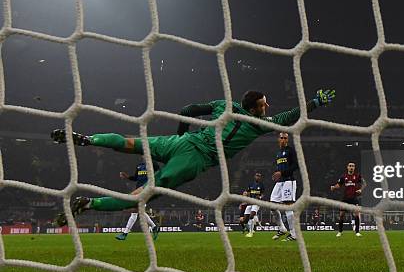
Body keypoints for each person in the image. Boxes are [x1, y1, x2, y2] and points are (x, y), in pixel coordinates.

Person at [52, 89, 335, 226]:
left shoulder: (223, 105)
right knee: (141, 196)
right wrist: (315, 103)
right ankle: (89, 203)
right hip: (196, 159)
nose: (267, 106)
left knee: (129, 142)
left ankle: (89, 139)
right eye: (264, 104)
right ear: (255, 108)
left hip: (183, 141)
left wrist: (180, 136)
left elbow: (187, 109)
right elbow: (291, 116)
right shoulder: (259, 123)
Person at [115, 160, 160, 241]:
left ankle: (125, 233)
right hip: (138, 190)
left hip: (147, 190)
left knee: (134, 211)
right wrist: (127, 176)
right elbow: (135, 178)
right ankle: (154, 227)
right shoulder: (140, 165)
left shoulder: (153, 163)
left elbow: (159, 174)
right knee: (140, 211)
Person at [270, 132, 299, 241]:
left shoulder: (290, 151)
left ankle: (293, 234)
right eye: (281, 138)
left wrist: (282, 173)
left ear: (287, 140)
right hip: (280, 182)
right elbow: (281, 168)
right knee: (272, 206)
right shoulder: (278, 153)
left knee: (288, 207)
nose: (283, 140)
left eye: (285, 138)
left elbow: (295, 165)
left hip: (288, 181)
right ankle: (282, 228)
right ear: (278, 139)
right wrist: (277, 174)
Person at [331, 162, 365, 237]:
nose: (351, 167)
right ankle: (340, 232)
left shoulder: (357, 176)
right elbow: (339, 185)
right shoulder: (344, 176)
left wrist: (360, 190)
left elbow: (364, 183)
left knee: (356, 214)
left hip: (354, 198)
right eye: (350, 166)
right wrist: (334, 187)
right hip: (345, 198)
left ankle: (357, 232)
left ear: (354, 167)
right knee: (341, 215)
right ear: (347, 167)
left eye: (353, 166)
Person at [240, 172, 264, 238]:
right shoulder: (250, 184)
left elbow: (262, 194)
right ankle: (249, 229)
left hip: (256, 203)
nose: (257, 177)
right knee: (244, 220)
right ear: (255, 177)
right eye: (257, 176)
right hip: (249, 203)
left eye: (259, 176)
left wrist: (260, 197)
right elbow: (247, 193)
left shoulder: (261, 185)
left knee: (251, 216)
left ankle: (251, 232)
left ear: (260, 178)